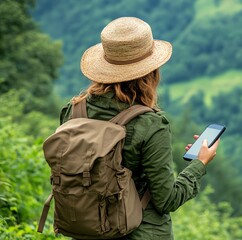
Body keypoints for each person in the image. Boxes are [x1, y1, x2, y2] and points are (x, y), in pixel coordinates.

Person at [59, 17, 220, 239]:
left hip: (87, 229)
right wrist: (199, 164)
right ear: (150, 72)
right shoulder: (151, 124)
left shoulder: (74, 111)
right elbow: (167, 200)